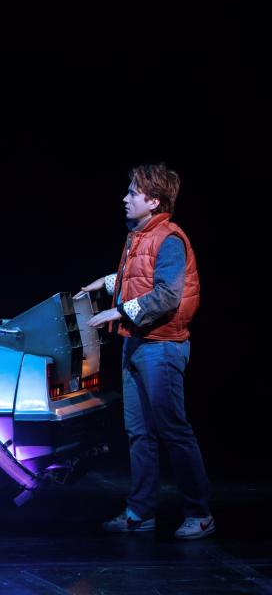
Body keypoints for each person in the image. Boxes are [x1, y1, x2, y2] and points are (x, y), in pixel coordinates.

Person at [80, 163, 213, 540]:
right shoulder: (139, 235)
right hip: (135, 343)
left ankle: (200, 512)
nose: (125, 198)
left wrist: (116, 310)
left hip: (163, 347)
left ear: (154, 201)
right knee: (138, 433)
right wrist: (104, 284)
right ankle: (141, 512)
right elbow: (139, 277)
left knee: (173, 431)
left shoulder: (169, 238)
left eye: (133, 193)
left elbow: (167, 295)